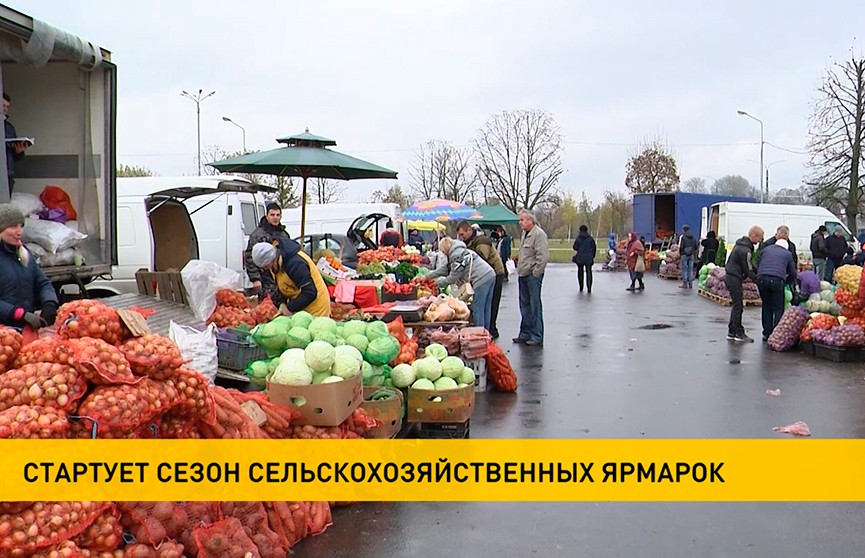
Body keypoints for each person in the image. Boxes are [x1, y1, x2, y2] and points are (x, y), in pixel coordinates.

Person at [0, 204, 59, 330]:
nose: (19, 232)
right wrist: (19, 314)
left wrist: (49, 303)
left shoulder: (24, 253)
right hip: (4, 333)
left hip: (24, 329)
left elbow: (42, 282)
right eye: (13, 226)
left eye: (21, 226)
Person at [426, 237, 496, 332]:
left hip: (481, 279)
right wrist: (428, 277)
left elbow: (453, 277)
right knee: (486, 308)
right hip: (490, 274)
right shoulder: (460, 250)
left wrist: (436, 283)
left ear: (446, 248)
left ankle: (480, 335)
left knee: (478, 309)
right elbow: (446, 269)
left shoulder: (456, 255)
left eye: (442, 251)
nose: (443, 253)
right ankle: (487, 334)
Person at [250, 238, 331, 317]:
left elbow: (309, 292)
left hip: (316, 309)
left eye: (266, 266)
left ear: (272, 258)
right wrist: (282, 303)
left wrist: (290, 308)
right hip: (302, 308)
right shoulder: (275, 264)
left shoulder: (295, 263)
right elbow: (282, 286)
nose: (266, 269)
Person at [456, 220, 505, 339]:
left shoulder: (481, 241)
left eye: (462, 234)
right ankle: (488, 332)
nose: (461, 238)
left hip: (495, 273)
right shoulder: (470, 241)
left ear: (469, 230)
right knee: (486, 305)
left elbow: (482, 259)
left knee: (489, 304)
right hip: (489, 274)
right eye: (459, 236)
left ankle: (486, 332)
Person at [513, 210, 549, 346]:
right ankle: (525, 333)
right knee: (524, 306)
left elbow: (543, 257)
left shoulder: (539, 234)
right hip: (523, 274)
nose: (520, 222)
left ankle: (536, 335)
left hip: (532, 276)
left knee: (534, 306)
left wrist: (536, 273)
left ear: (530, 221)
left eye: (522, 220)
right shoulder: (524, 234)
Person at [245, 202, 291, 304]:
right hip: (265, 280)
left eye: (278, 215)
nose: (275, 218)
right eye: (272, 215)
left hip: (281, 280)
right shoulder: (258, 235)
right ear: (267, 216)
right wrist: (255, 279)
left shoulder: (284, 235)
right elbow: (249, 257)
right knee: (267, 308)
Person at [725, 226, 764, 343]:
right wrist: (759, 279)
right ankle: (739, 333)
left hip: (731, 276)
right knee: (738, 306)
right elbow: (748, 268)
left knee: (736, 306)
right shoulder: (745, 250)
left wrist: (759, 271)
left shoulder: (740, 245)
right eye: (759, 238)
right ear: (754, 235)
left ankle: (731, 332)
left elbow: (750, 265)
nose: (759, 242)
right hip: (734, 278)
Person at [756, 238, 798, 341]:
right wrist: (787, 282)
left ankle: (766, 333)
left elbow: (758, 263)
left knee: (766, 306)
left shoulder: (765, 250)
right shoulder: (787, 254)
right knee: (778, 307)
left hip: (761, 279)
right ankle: (776, 333)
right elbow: (793, 272)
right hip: (777, 280)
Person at [3, 93, 30, 197]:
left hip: (7, 174)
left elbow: (14, 155)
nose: (5, 109)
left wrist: (19, 152)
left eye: (7, 107)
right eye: (3, 106)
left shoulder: (9, 128)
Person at [571, 225, 597, 293]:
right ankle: (589, 288)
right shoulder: (590, 238)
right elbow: (594, 247)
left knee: (580, 272)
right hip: (588, 257)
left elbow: (575, 247)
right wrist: (592, 256)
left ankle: (581, 287)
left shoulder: (578, 238)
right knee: (589, 272)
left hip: (580, 258)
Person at [677, 224, 698, 289]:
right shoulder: (693, 237)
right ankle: (690, 284)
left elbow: (681, 246)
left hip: (684, 255)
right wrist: (691, 251)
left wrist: (680, 253)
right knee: (690, 270)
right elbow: (696, 246)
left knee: (684, 269)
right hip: (691, 255)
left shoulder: (682, 237)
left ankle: (685, 284)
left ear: (683, 230)